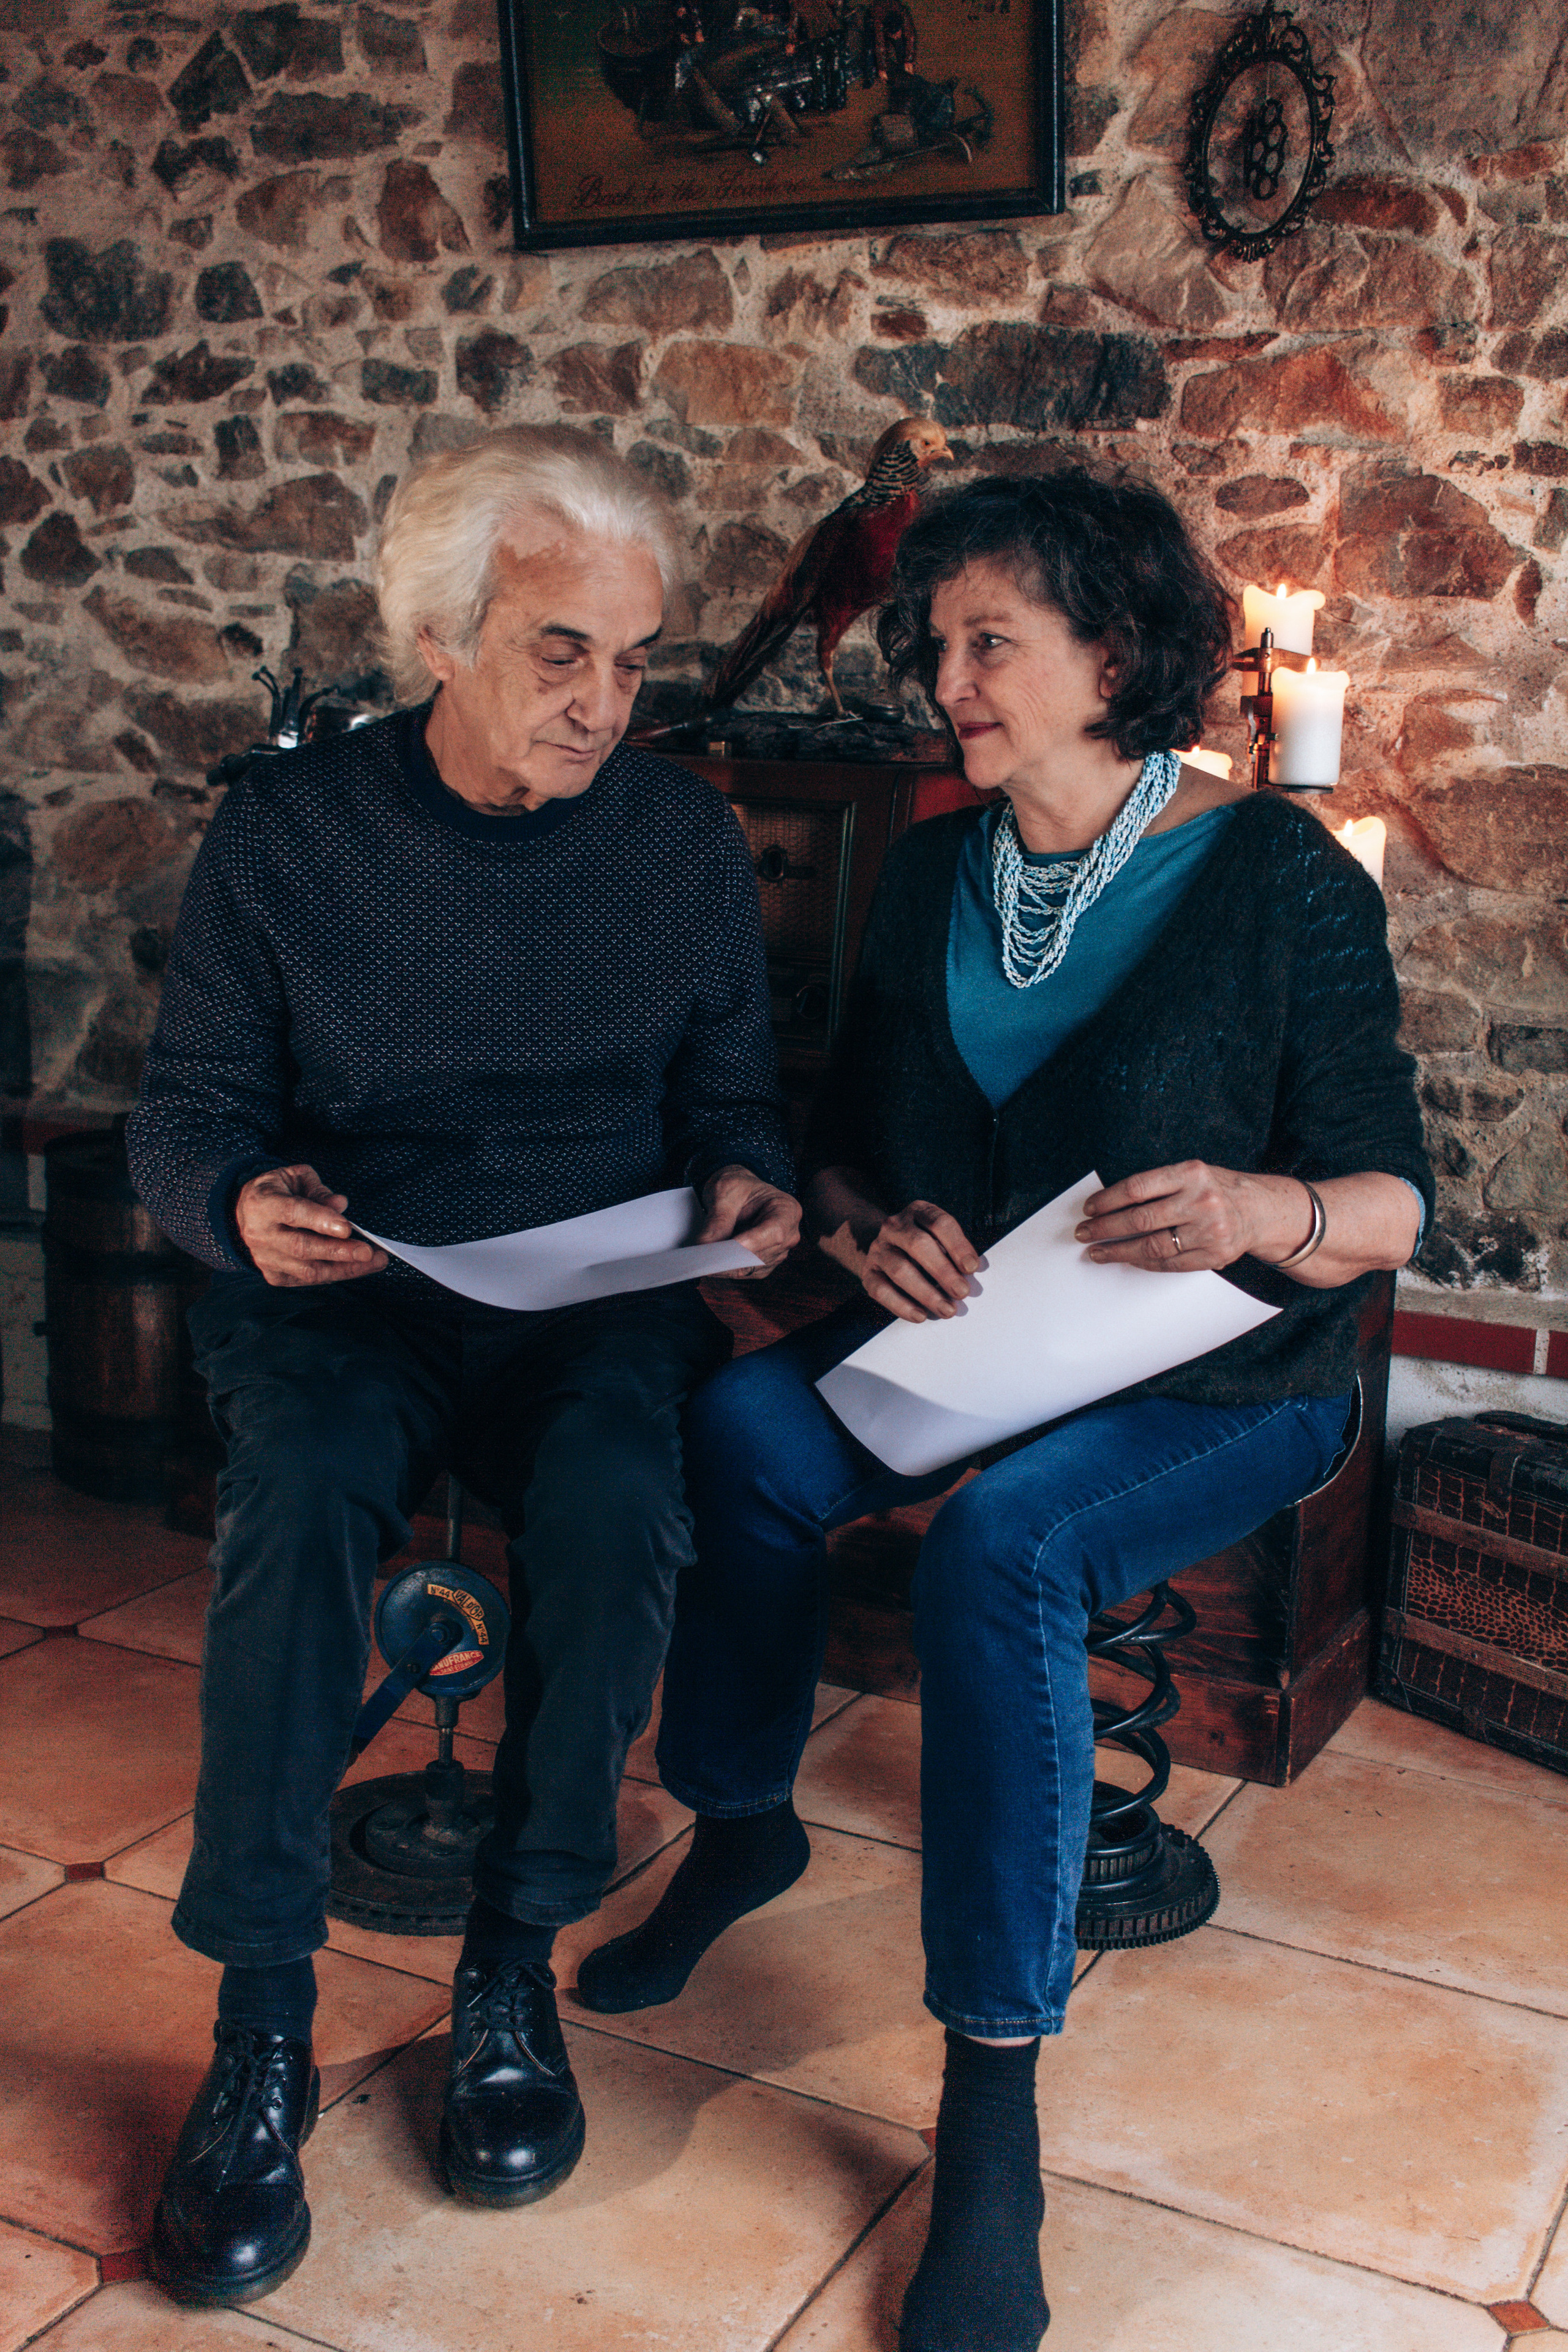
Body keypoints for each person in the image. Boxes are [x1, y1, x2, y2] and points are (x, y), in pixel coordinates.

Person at [576, 466, 1433, 2352]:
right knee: (744, 1434)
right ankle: (739, 1823)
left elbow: (1392, 1202)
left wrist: (1260, 1211)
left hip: (1238, 1377)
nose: (946, 681)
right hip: (978, 1346)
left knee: (1005, 1542)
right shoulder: (930, 870)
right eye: (937, 643)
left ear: (1115, 656)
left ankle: (989, 2102)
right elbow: (848, 1149)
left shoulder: (1280, 875)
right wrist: (865, 1233)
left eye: (990, 643)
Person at [126, 424, 800, 2307]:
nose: (606, 702)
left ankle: (512, 1967)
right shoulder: (286, 833)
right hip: (346, 1287)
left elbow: (735, 1104)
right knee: (298, 1498)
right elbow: (183, 1116)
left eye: (634, 658)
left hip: (592, 1296)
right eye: (559, 651)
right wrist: (235, 1203)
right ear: (436, 635)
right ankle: (261, 2028)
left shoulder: (678, 840)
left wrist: (749, 1183)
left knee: (620, 1504)